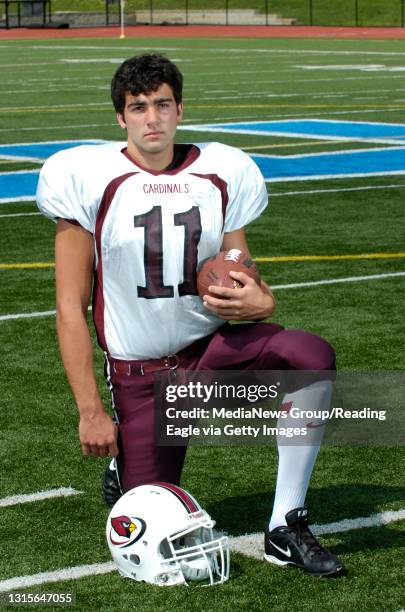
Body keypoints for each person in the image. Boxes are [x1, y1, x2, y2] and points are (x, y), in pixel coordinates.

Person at [36, 54, 346, 578]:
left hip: (209, 353)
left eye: (162, 105)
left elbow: (237, 263)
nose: (151, 119)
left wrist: (260, 298)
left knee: (309, 355)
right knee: (149, 523)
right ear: (121, 118)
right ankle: (127, 464)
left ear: (180, 109)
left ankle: (284, 524)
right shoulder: (87, 176)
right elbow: (69, 306)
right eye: (138, 108)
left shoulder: (221, 170)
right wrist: (91, 411)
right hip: (141, 375)